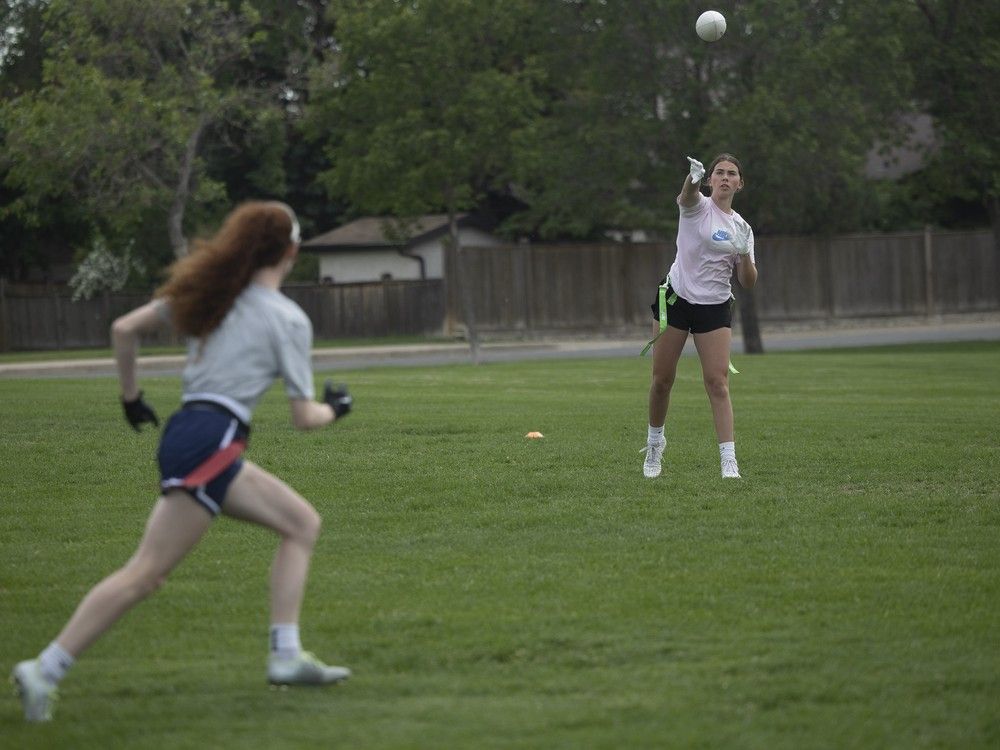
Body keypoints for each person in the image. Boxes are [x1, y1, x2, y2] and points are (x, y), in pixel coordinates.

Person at [11, 201, 355, 723]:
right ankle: (45, 668)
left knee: (301, 522)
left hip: (196, 435)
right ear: (292, 251)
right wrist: (337, 409)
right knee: (147, 574)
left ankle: (286, 656)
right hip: (212, 443)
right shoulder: (287, 318)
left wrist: (130, 398)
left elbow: (125, 329)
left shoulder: (210, 295)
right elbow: (305, 417)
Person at [642, 154, 758, 479]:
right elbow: (688, 195)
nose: (724, 177)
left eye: (731, 173)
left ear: (739, 183)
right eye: (718, 172)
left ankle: (729, 461)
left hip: (714, 306)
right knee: (662, 380)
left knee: (718, 383)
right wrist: (692, 178)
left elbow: (748, 282)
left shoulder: (742, 228)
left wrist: (746, 251)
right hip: (676, 298)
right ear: (710, 180)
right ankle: (654, 444)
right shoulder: (697, 207)